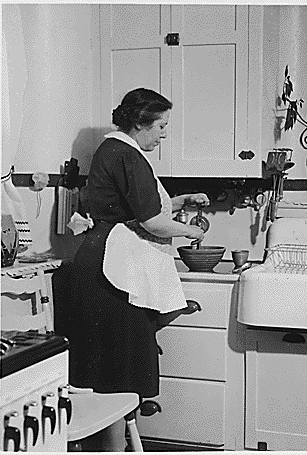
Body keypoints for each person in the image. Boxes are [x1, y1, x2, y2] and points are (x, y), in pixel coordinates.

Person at [67, 88, 208, 450]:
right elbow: (152, 222)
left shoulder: (116, 151)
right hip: (110, 269)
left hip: (104, 259)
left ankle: (115, 447)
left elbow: (135, 209)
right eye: (161, 125)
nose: (164, 133)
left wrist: (179, 201)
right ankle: (112, 449)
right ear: (141, 123)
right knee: (116, 373)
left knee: (113, 370)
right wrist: (191, 229)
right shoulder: (125, 154)